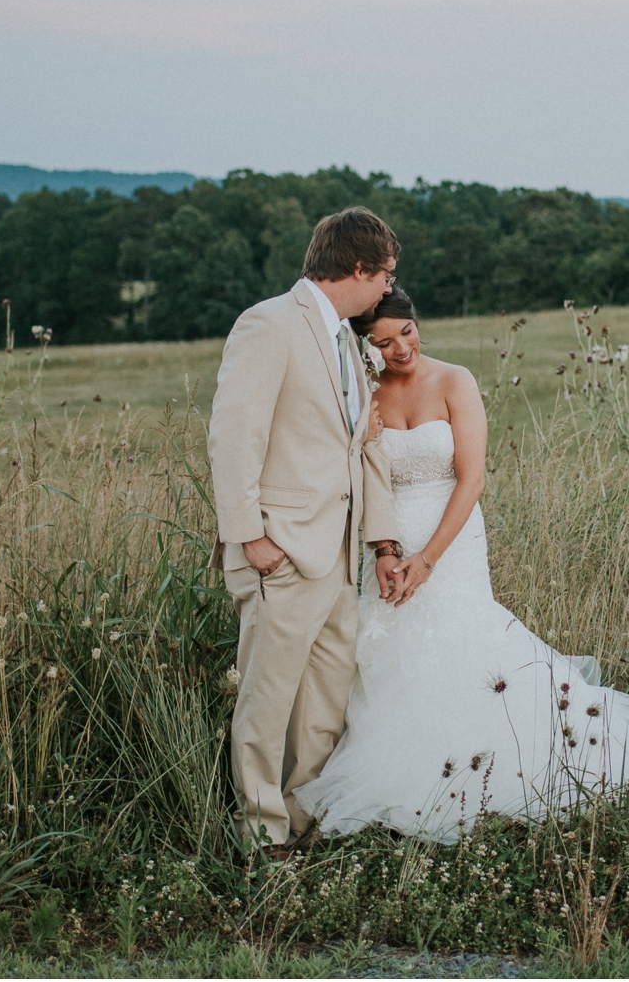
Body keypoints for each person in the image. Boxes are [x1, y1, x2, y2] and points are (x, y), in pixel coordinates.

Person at [293, 285, 629, 843]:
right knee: (392, 648)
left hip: (452, 535)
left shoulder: (454, 382)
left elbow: (471, 478)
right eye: (383, 342)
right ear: (365, 347)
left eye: (407, 332)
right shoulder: (365, 397)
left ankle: (509, 766)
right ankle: (416, 770)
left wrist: (428, 559)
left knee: (466, 640)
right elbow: (365, 482)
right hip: (391, 543)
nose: (401, 349)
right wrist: (388, 552)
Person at [208, 206, 398, 855]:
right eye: (385, 275)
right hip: (282, 552)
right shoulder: (269, 324)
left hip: (340, 558)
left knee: (322, 710)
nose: (388, 290)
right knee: (266, 705)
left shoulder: (349, 341)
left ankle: (305, 824)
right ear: (357, 268)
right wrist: (250, 537)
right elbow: (234, 436)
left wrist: (379, 540)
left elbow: (356, 449)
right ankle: (261, 839)